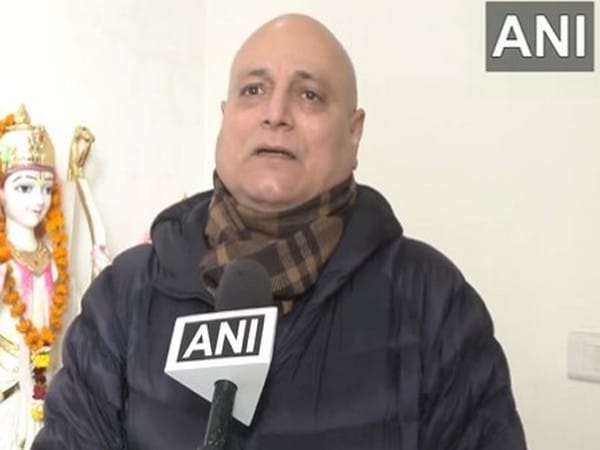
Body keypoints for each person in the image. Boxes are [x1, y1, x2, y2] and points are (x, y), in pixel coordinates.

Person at [33, 14, 527, 450]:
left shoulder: (433, 301)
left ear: (353, 132)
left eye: (309, 95)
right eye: (253, 90)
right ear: (225, 118)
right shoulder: (126, 296)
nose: (275, 114)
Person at [0, 106, 71, 449]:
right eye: (25, 188)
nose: (39, 200)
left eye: (45, 189)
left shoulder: (53, 261)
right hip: (8, 400)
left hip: (47, 396)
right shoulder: (4, 262)